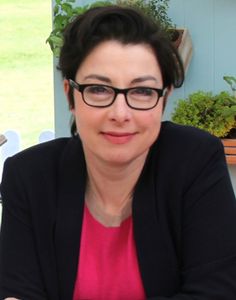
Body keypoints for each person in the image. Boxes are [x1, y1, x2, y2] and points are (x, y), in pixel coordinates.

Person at [1, 5, 236, 300]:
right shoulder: (29, 177)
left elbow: (216, 292)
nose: (120, 113)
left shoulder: (195, 161)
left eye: (142, 91)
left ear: (164, 99)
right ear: (70, 96)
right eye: (99, 89)